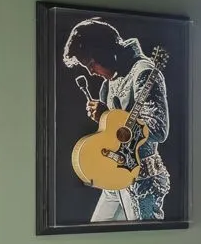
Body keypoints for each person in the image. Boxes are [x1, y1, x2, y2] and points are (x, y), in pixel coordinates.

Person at [62, 18, 171, 222]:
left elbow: (158, 128)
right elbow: (114, 134)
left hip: (143, 182)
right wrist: (104, 121)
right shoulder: (109, 83)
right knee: (95, 234)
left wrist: (108, 116)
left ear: (104, 51)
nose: (91, 72)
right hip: (115, 177)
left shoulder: (143, 72)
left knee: (144, 238)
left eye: (91, 64)